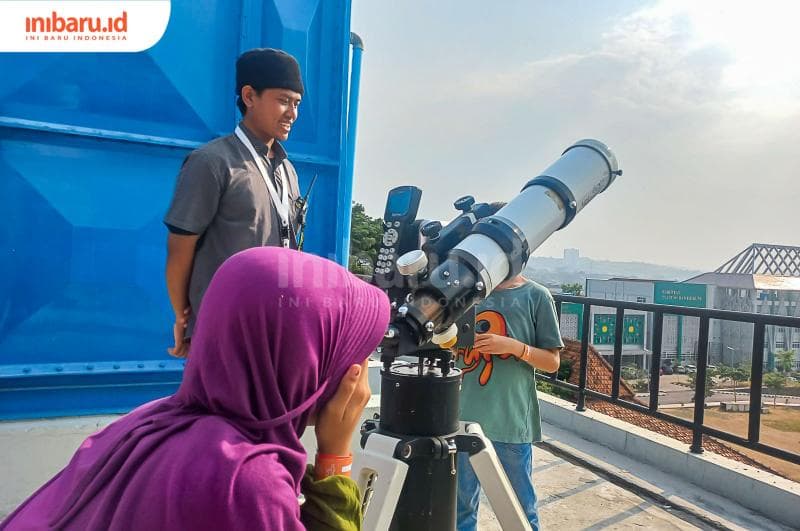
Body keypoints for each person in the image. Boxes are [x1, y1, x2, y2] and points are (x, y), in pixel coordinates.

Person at [1, 247, 390, 531]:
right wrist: (335, 457)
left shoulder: (149, 422)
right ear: (298, 360)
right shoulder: (245, 482)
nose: (355, 373)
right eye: (347, 353)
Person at [164, 48, 306, 358]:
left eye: (297, 103)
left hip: (277, 329)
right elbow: (180, 247)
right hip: (225, 331)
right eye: (283, 100)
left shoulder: (288, 171)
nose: (292, 113)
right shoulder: (212, 162)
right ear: (249, 96)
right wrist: (184, 318)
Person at [455, 205, 564, 531]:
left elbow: (552, 362)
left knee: (520, 510)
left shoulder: (537, 297)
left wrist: (514, 347)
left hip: (511, 422)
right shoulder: (466, 295)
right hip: (463, 419)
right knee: (461, 509)